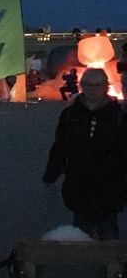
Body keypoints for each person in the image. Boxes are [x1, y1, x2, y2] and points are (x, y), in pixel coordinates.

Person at [42, 68, 127, 240]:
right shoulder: (70, 115)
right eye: (88, 84)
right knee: (81, 233)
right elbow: (61, 146)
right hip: (79, 182)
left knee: (108, 233)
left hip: (110, 184)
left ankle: (109, 258)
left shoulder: (118, 116)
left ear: (106, 86)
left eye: (98, 85)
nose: (93, 89)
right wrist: (52, 173)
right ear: (81, 86)